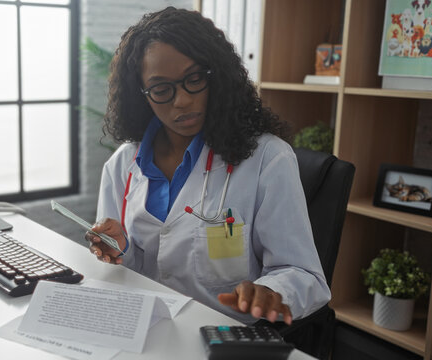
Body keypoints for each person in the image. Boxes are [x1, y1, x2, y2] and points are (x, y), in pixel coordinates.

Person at [85, 7, 331, 325]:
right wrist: (119, 249)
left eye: (194, 79)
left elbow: (304, 274)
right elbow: (124, 269)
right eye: (162, 89)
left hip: (220, 337)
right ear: (142, 95)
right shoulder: (123, 165)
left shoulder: (268, 158)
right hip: (141, 328)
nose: (182, 100)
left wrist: (272, 292)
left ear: (216, 75)